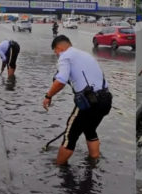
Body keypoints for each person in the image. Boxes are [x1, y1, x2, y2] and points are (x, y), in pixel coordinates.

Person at [43, 35, 112, 165]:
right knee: (89, 129)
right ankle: (93, 161)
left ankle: (59, 166)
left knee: (70, 135)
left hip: (89, 102)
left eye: (55, 51)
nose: (56, 55)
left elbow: (60, 81)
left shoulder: (65, 57)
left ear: (59, 48)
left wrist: (48, 96)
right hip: (106, 99)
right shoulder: (85, 55)